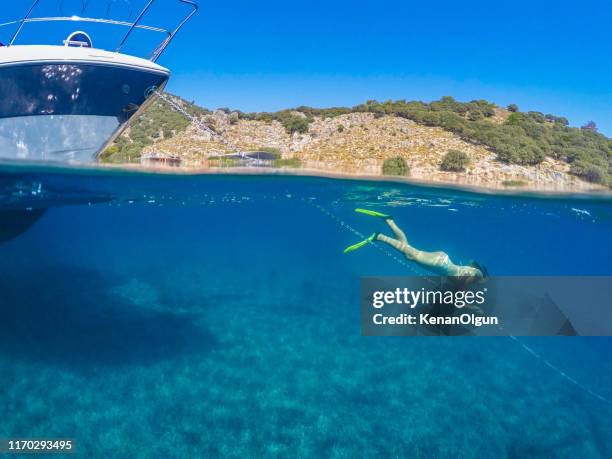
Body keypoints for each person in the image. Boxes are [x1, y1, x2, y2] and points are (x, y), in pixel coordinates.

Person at [344, 208, 487, 283]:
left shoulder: (471, 274)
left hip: (441, 261)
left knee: (407, 249)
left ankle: (389, 221)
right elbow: (468, 281)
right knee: (410, 254)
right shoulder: (477, 275)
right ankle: (379, 236)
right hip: (440, 264)